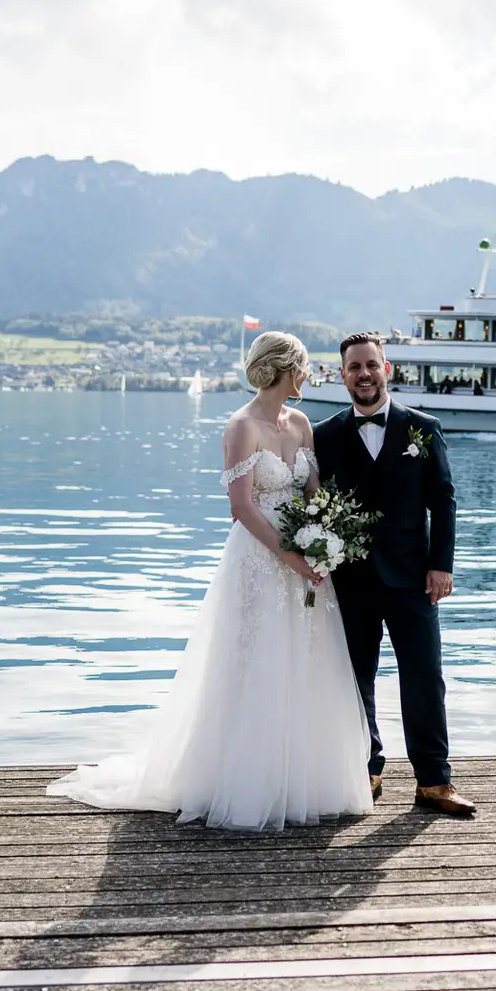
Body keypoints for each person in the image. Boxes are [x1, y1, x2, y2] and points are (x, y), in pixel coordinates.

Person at [46, 332, 371, 830]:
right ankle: (237, 780)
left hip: (306, 561)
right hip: (260, 562)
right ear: (286, 369)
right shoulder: (241, 426)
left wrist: (323, 541)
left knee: (306, 663)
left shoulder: (302, 423)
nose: (308, 375)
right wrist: (291, 556)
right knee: (253, 664)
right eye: (304, 367)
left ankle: (301, 778)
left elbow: (313, 492)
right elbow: (241, 506)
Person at [312, 332, 476, 817]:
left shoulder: (422, 428)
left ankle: (434, 782)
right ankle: (367, 770)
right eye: (354, 368)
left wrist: (441, 565)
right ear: (342, 376)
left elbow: (443, 501)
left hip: (412, 579)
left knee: (425, 678)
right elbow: (314, 506)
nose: (363, 374)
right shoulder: (322, 435)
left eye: (371, 365)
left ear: (388, 368)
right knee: (354, 680)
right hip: (352, 581)